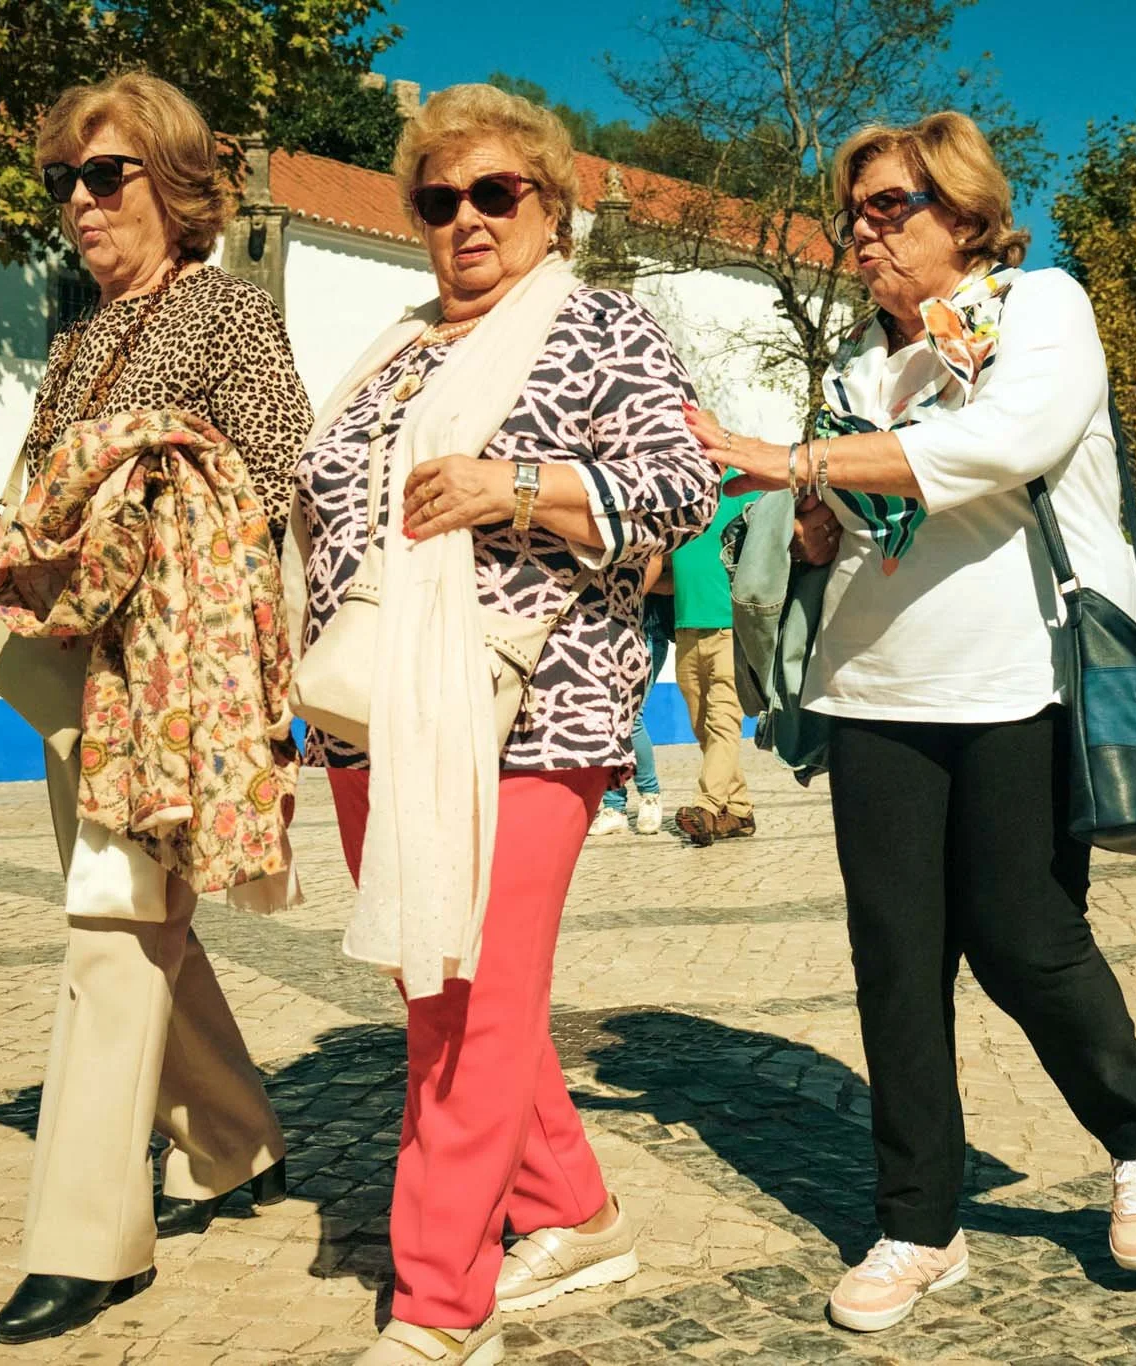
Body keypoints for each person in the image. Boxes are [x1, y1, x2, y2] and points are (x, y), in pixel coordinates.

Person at [685, 110, 1136, 1334]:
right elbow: (864, 520)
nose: (862, 232)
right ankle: (918, 1224)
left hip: (1017, 679)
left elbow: (1006, 443)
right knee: (895, 962)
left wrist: (800, 463)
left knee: (1023, 935)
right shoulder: (859, 368)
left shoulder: (1043, 309)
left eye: (889, 207)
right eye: (851, 212)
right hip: (873, 692)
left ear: (963, 215)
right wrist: (809, 528)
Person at [289, 84, 717, 1364]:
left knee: (463, 1001)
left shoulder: (598, 329)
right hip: (372, 710)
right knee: (461, 983)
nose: (465, 221)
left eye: (494, 194)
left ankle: (436, 1299)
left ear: (550, 205)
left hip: (530, 712)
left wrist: (514, 483)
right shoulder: (396, 344)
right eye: (438, 199)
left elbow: (681, 485)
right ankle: (574, 1209)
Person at [0, 73, 313, 1344]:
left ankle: (90, 1236)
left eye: (104, 176)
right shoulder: (76, 335)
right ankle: (236, 1141)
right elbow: (50, 487)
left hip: (173, 679)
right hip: (77, 669)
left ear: (171, 183)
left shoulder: (224, 315)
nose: (81, 203)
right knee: (135, 916)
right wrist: (15, 523)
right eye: (64, 181)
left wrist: (156, 477)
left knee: (113, 926)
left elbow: (280, 483)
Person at [672, 472, 762, 846]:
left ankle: (707, 806)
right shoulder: (675, 492)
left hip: (730, 629)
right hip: (685, 628)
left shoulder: (743, 490)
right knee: (702, 727)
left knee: (723, 722)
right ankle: (738, 810)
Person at [590, 556, 673, 836]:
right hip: (607, 632)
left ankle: (650, 796)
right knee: (610, 718)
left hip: (645, 631)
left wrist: (618, 594)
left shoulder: (652, 536)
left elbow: (664, 577)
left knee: (630, 718)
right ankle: (614, 806)